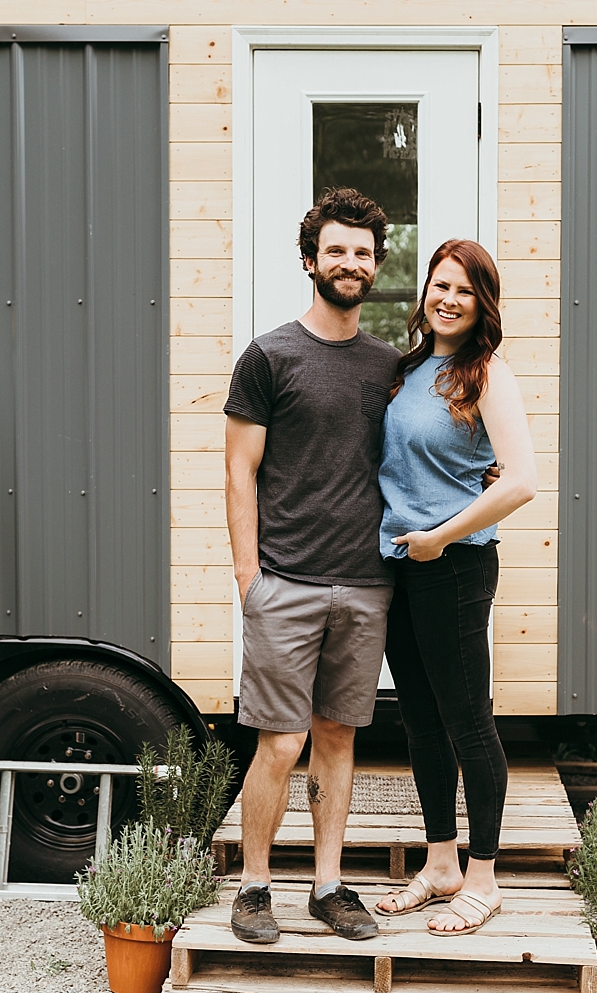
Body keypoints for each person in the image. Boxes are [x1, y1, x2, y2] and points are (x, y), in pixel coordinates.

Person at [222, 188, 400, 944]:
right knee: (279, 739)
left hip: (366, 584)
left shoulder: (392, 366)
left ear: (376, 265)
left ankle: (329, 885)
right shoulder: (268, 356)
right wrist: (247, 580)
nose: (349, 262)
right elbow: (238, 472)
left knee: (336, 735)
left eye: (361, 252)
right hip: (285, 582)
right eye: (336, 250)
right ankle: (254, 885)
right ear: (310, 261)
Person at [371, 239, 537, 936]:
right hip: (398, 565)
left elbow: (522, 479)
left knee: (468, 720)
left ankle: (483, 875)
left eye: (463, 290)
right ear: (424, 292)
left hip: (457, 564)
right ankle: (439, 862)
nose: (447, 298)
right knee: (420, 720)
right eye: (439, 285)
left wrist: (442, 534)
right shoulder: (408, 369)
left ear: (481, 303)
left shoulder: (486, 373)